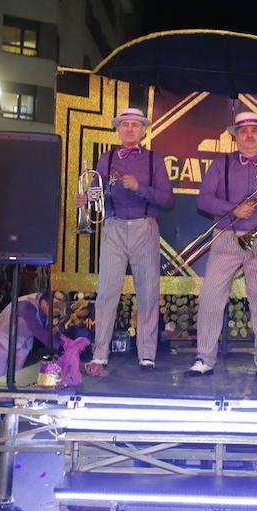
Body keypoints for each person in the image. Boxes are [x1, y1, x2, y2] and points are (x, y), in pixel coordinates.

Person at [186, 111, 257, 379]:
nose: (249, 136)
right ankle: (204, 358)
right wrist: (232, 209)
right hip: (226, 237)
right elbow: (203, 200)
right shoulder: (220, 165)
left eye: (254, 131)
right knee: (211, 297)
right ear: (235, 137)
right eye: (243, 131)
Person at [74, 108, 173, 373]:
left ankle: (147, 354)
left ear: (143, 131)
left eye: (134, 125)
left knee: (148, 293)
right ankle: (100, 354)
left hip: (144, 226)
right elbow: (98, 195)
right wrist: (86, 200)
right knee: (106, 292)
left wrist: (139, 187)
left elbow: (167, 200)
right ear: (118, 130)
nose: (129, 129)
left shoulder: (154, 160)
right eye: (124, 125)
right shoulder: (105, 159)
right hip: (114, 226)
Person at [0, 292, 52, 380]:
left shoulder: (44, 301)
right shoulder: (27, 304)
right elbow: (37, 330)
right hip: (4, 336)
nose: (55, 311)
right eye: (53, 307)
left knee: (15, 374)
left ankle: (9, 393)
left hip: (24, 339)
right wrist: (57, 345)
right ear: (44, 302)